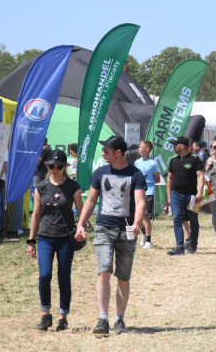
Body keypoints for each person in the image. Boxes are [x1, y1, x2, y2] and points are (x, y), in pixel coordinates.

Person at [75, 135, 146, 335]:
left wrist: (136, 223)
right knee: (104, 271)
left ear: (118, 152)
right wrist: (80, 224)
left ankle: (120, 319)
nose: (103, 153)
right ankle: (103, 319)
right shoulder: (99, 173)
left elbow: (140, 202)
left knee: (123, 277)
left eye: (106, 150)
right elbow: (90, 201)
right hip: (104, 228)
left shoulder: (136, 174)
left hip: (126, 230)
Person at [27, 149, 84, 331]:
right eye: (51, 166)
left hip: (65, 238)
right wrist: (31, 240)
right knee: (44, 275)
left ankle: (63, 317)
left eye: (59, 166)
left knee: (64, 276)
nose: (55, 169)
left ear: (65, 167)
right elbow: (36, 214)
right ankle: (46, 315)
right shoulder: (41, 187)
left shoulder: (72, 186)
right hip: (45, 237)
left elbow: (81, 211)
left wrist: (81, 228)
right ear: (47, 166)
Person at [166, 136, 205, 255]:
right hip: (176, 195)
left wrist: (200, 192)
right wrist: (169, 195)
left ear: (182, 146)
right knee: (177, 219)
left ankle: (193, 244)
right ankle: (180, 247)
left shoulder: (194, 159)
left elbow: (200, 176)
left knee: (193, 220)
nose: (173, 146)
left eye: (175, 145)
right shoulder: (173, 160)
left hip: (192, 195)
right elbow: (169, 178)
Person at [133, 140, 161, 249]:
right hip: (138, 192)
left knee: (146, 217)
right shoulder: (136, 162)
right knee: (137, 216)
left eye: (141, 147)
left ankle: (149, 241)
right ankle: (143, 232)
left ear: (147, 149)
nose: (139, 149)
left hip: (148, 192)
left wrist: (148, 183)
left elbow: (157, 179)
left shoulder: (153, 163)